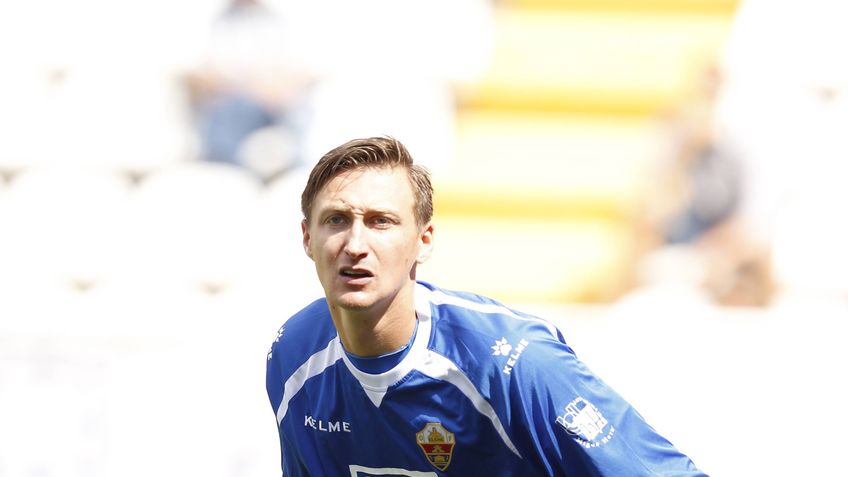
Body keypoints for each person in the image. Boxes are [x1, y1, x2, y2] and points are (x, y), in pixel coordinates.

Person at [265, 136, 706, 476]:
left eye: (381, 222)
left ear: (423, 240)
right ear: (307, 237)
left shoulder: (512, 361)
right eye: (337, 220)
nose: (355, 245)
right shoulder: (294, 357)